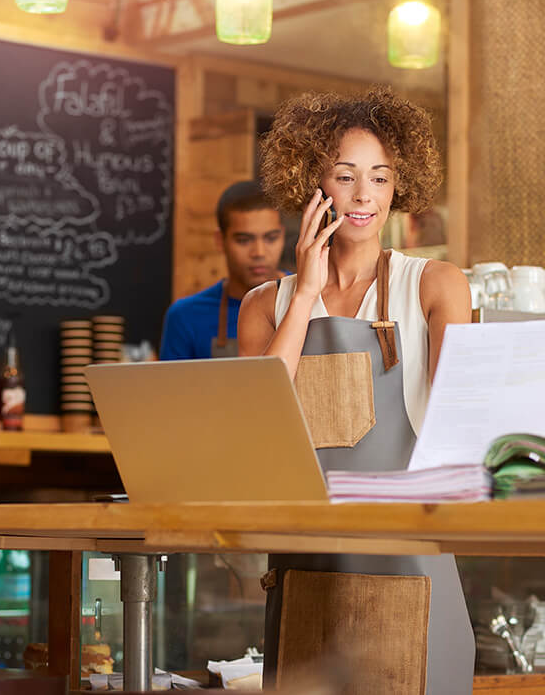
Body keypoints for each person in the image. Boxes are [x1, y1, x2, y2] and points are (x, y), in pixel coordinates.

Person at [238, 88, 474, 693]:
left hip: (409, 560)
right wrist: (308, 293)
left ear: (400, 185)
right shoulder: (267, 304)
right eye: (344, 176)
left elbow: (460, 425)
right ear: (311, 181)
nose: (364, 195)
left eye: (380, 177)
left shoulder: (436, 286)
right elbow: (254, 420)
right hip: (304, 565)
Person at [160, 180, 286, 359]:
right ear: (220, 240)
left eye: (271, 238)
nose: (259, 252)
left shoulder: (308, 300)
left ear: (282, 234)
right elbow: (171, 388)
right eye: (244, 240)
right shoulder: (186, 317)